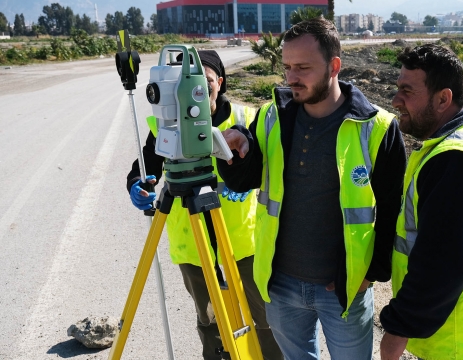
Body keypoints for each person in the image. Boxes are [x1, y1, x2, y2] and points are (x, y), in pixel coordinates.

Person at [216, 17, 406, 360]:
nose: (291, 77)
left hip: (344, 290)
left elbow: (393, 211)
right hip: (280, 283)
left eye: (303, 67)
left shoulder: (377, 127)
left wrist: (370, 276)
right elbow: (244, 181)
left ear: (334, 66)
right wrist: (234, 153)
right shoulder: (273, 116)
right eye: (287, 66)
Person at [126, 49, 283, 360]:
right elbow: (146, 165)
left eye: (204, 82)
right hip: (193, 248)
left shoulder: (245, 119)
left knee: (265, 318)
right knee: (209, 319)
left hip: (244, 244)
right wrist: (137, 182)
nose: (194, 90)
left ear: (219, 82)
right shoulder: (165, 126)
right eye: (184, 83)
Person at [379, 44, 463, 360]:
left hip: (456, 340)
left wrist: (397, 330)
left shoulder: (455, 161)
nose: (396, 100)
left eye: (406, 91)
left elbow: (441, 263)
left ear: (443, 99)